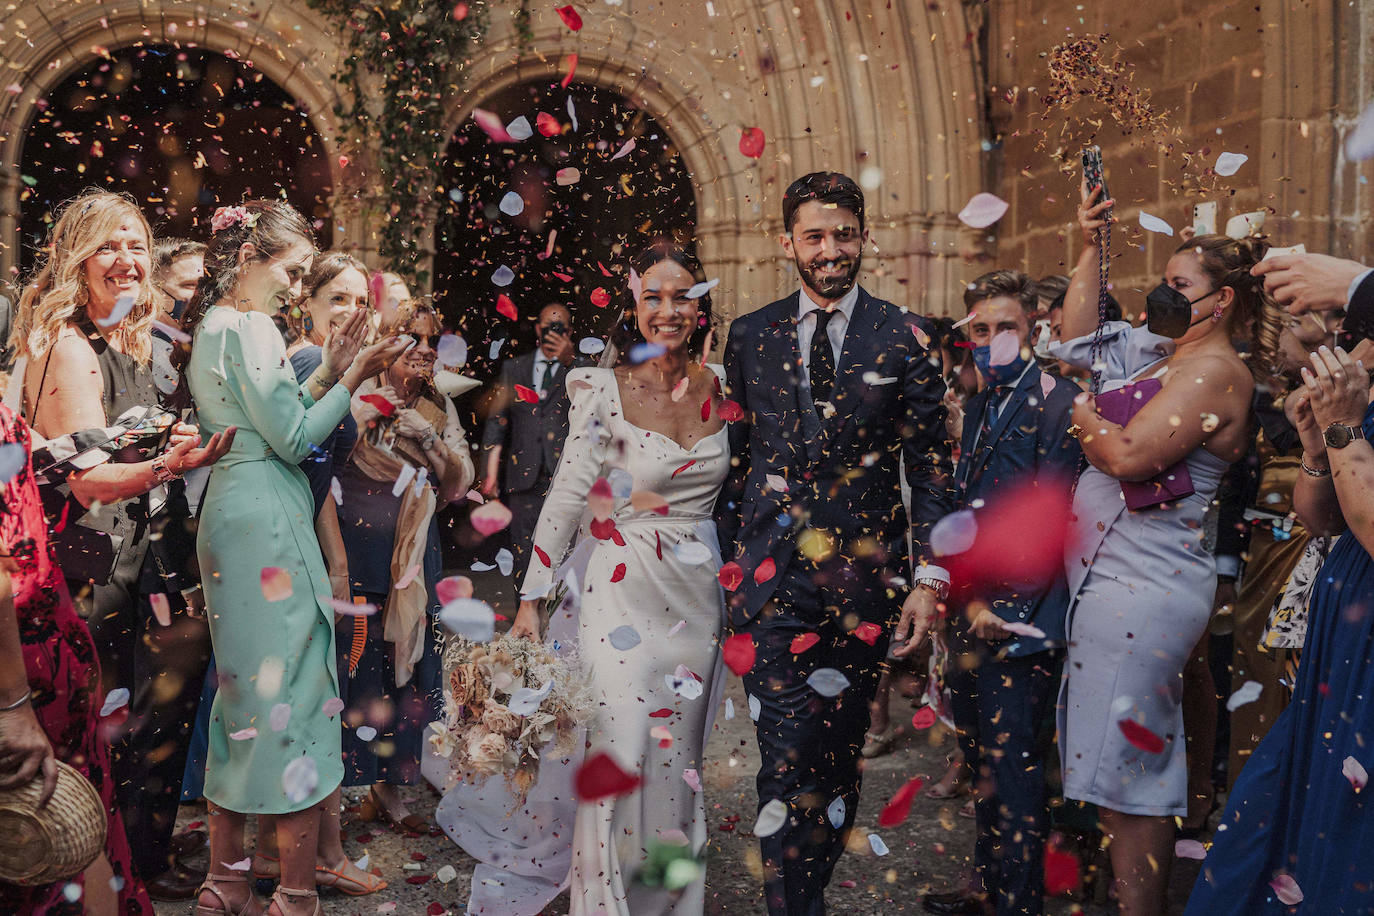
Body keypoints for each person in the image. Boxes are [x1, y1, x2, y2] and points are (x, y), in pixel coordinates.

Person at [717, 171, 954, 915]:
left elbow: (932, 467)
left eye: (844, 234)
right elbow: (735, 465)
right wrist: (731, 568)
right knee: (786, 762)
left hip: (864, 592)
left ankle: (805, 893)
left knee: (837, 762)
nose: (831, 250)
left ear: (863, 237)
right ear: (788, 242)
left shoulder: (903, 333)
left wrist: (929, 578)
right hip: (772, 583)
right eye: (815, 236)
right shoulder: (750, 336)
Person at [471, 241, 727, 915]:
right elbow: (565, 498)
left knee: (677, 769)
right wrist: (531, 599)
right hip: (620, 588)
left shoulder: (722, 384)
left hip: (698, 600)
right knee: (620, 751)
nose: (668, 311)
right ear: (633, 304)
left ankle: (669, 902)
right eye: (654, 297)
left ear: (701, 307)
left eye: (683, 297)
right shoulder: (603, 388)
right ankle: (603, 904)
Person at [1050, 180, 1280, 915]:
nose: (1165, 295)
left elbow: (1127, 456)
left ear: (1224, 302)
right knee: (1117, 778)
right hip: (1113, 581)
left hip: (1145, 589)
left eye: (1181, 285)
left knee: (1131, 782)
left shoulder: (1216, 371)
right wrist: (1092, 245)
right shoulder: (1157, 354)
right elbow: (1074, 341)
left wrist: (1079, 412)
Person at [180, 199, 405, 916]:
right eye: (294, 272)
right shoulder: (245, 323)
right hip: (268, 516)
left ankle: (227, 882)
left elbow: (267, 415)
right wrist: (354, 373)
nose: (294, 286)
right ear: (249, 261)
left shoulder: (218, 325)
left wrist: (327, 372)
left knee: (243, 695)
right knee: (301, 692)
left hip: (232, 506)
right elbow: (295, 437)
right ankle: (299, 892)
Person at [9, 190, 231, 899]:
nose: (128, 260)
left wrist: (165, 441)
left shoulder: (126, 338)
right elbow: (87, 482)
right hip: (84, 561)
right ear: (76, 258)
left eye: (137, 244)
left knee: (141, 713)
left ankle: (135, 859)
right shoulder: (71, 345)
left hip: (129, 554)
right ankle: (97, 865)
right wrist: (177, 463)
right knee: (109, 719)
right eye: (109, 245)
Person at [1185, 344, 1374, 913]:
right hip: (1339, 635)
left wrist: (1342, 428)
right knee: (1284, 801)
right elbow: (1320, 518)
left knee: (1346, 819)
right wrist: (1319, 448)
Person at [922, 270, 1081, 916]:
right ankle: (988, 891)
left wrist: (998, 607)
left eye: (1005, 327)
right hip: (971, 614)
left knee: (1016, 779)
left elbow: (1048, 517)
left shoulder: (1057, 401)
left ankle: (1018, 905)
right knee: (982, 766)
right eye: (979, 330)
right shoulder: (982, 402)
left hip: (1020, 621)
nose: (992, 341)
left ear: (1035, 326)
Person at [0, 403, 153, 915]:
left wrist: (167, 463)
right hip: (22, 665)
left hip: (37, 659)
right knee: (54, 835)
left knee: (58, 830)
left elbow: (52, 484)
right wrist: (14, 708)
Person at [337, 298, 473, 832]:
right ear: (385, 343)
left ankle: (395, 792)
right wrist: (374, 423)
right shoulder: (359, 393)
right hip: (364, 545)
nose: (422, 351)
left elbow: (457, 486)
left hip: (419, 551)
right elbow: (344, 458)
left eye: (430, 342)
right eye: (409, 339)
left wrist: (427, 436)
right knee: (361, 664)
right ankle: (344, 789)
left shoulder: (440, 404)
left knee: (413, 668)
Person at [481, 303, 579, 582]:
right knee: (523, 556)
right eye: (549, 327)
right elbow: (496, 423)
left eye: (560, 328)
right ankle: (525, 622)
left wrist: (571, 362)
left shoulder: (581, 368)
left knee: (566, 554)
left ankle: (557, 624)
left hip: (566, 477)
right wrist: (488, 474)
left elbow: (598, 401)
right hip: (523, 478)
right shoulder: (515, 368)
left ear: (570, 331)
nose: (553, 333)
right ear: (538, 329)